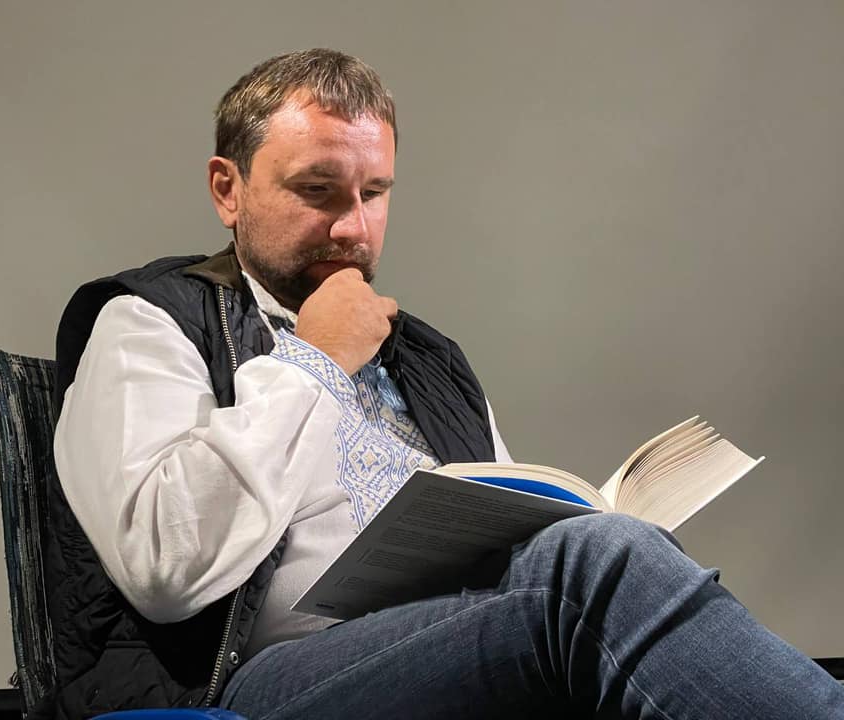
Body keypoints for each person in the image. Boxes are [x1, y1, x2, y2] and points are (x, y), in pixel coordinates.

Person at [46, 48, 844, 719]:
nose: (352, 227)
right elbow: (166, 567)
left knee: (616, 553)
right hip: (253, 685)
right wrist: (314, 361)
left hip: (448, 642)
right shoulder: (148, 322)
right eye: (317, 190)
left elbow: (515, 538)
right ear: (229, 189)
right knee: (593, 568)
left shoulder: (427, 357)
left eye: (373, 193)